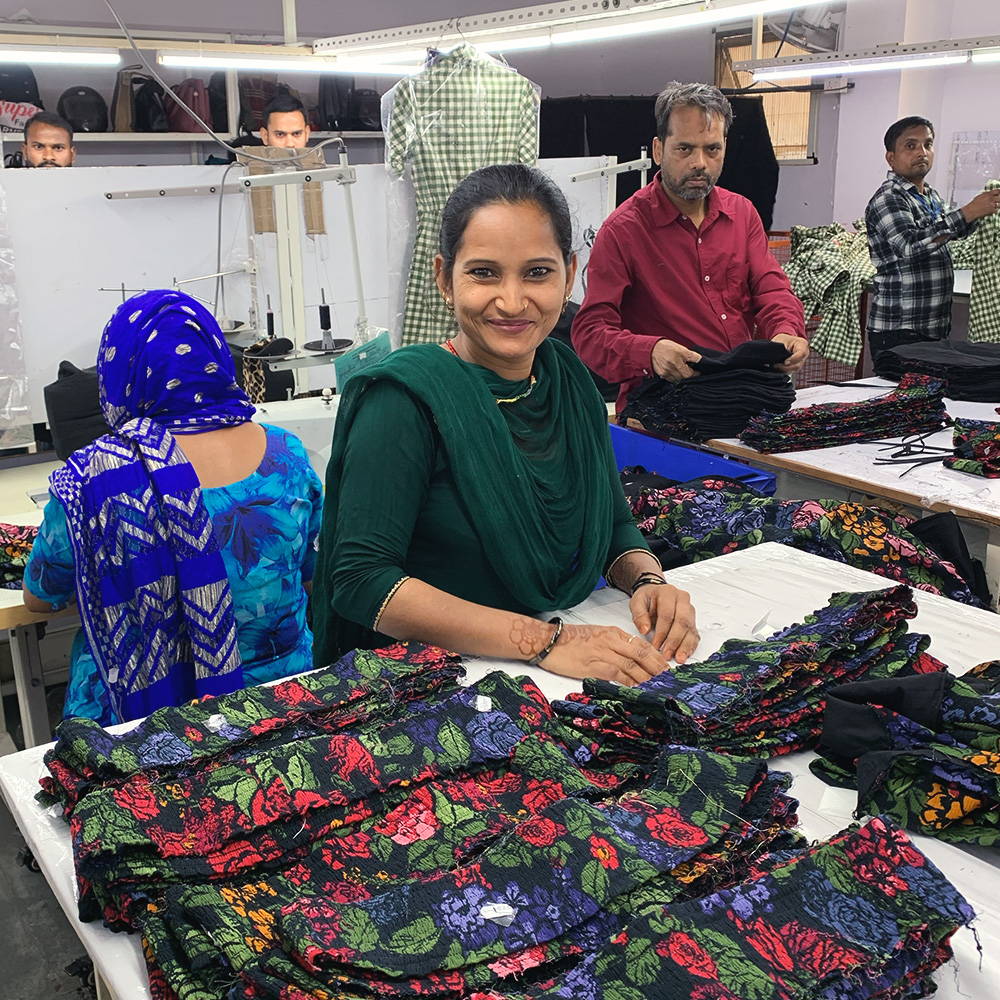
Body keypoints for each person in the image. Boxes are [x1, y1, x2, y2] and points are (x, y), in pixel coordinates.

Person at [312, 163, 699, 685]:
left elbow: (611, 526)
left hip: (547, 671)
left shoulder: (568, 384)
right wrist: (542, 642)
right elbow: (361, 579)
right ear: (444, 278)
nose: (512, 301)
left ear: (570, 274)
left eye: (537, 272)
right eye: (484, 272)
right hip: (428, 684)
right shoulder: (404, 401)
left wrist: (648, 581)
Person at [23, 290, 323, 725]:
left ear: (120, 372)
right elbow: (310, 575)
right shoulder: (287, 455)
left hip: (142, 727)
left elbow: (39, 598)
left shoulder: (93, 479)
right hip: (283, 708)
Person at [572, 82, 808, 413]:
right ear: (658, 150)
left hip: (741, 397)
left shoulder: (742, 215)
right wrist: (649, 352)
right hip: (662, 408)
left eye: (712, 149)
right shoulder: (623, 231)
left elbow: (772, 290)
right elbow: (590, 333)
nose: (700, 163)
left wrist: (785, 331)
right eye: (684, 149)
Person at [865, 116, 1000, 358]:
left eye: (927, 144)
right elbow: (910, 246)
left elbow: (951, 232)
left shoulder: (930, 196)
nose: (922, 152)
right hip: (900, 330)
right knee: (902, 385)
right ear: (891, 157)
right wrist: (968, 211)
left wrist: (983, 211)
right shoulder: (889, 198)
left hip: (933, 327)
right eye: (911, 145)